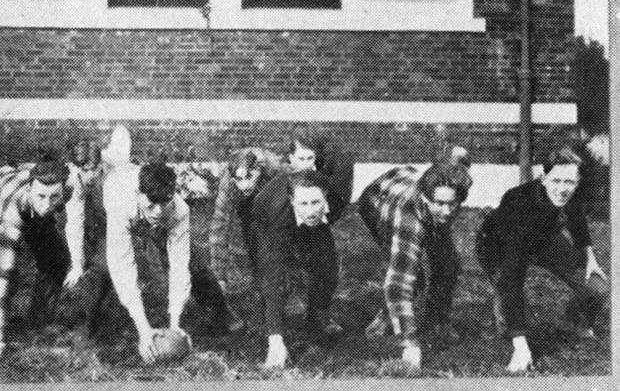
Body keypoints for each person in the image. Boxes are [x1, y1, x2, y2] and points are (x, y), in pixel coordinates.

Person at [102, 127, 239, 364]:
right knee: (102, 266)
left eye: (163, 204)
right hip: (115, 206)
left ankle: (221, 314)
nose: (158, 211)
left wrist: (175, 324)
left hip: (147, 217)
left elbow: (179, 265)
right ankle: (88, 325)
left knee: (194, 264)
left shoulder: (179, 210)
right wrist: (144, 329)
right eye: (151, 204)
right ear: (138, 193)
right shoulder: (120, 201)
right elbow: (123, 266)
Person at [476, 146, 608, 373]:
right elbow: (512, 277)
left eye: (569, 182)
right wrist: (521, 345)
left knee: (597, 287)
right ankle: (515, 341)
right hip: (499, 245)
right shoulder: (518, 202)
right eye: (556, 181)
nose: (562, 189)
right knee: (508, 300)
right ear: (543, 179)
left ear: (577, 182)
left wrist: (590, 257)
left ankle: (574, 324)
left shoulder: (572, 192)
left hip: (543, 238)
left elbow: (577, 221)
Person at [356, 146, 473, 369]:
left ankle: (437, 320)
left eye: (453, 204)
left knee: (449, 264)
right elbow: (398, 284)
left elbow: (455, 165)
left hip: (406, 182)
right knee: (411, 276)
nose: (447, 212)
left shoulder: (449, 185)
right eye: (440, 204)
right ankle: (384, 318)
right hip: (378, 201)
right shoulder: (409, 220)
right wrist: (410, 343)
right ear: (426, 197)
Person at [0, 157, 96, 361]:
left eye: (54, 197)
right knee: (4, 274)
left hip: (22, 187)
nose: (47, 204)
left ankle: (39, 321)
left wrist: (78, 262)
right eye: (41, 196)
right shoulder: (10, 216)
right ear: (30, 189)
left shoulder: (70, 185)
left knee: (57, 260)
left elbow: (75, 220)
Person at [255, 168, 350, 369]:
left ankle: (318, 315)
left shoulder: (336, 200)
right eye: (303, 204)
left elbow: (323, 222)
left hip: (312, 224)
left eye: (316, 202)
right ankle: (273, 328)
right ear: (292, 200)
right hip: (268, 222)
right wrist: (275, 339)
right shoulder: (276, 215)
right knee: (275, 276)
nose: (311, 211)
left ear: (325, 197)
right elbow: (274, 278)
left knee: (328, 266)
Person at [208, 147, 283, 292]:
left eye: (249, 177)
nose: (244, 185)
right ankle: (259, 282)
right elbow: (219, 227)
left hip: (271, 196)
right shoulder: (228, 183)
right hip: (247, 203)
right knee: (251, 234)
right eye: (239, 179)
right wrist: (219, 277)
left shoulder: (274, 172)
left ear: (259, 170)